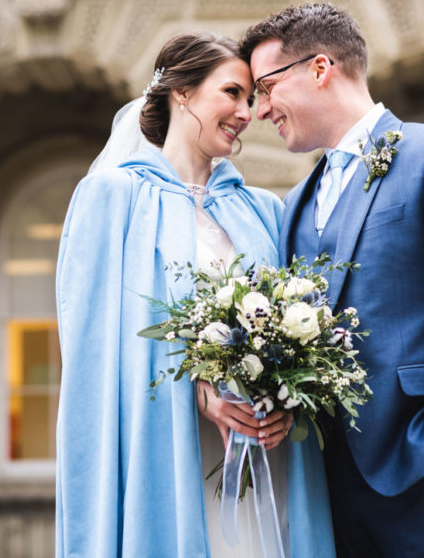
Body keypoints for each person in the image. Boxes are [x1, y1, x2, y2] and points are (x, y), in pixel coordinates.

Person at [239, 3, 424, 558]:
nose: (261, 110)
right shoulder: (293, 204)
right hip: (324, 484)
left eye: (267, 87)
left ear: (321, 68)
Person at [55, 32, 335, 558]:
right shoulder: (111, 198)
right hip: (167, 447)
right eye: (231, 92)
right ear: (181, 93)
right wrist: (196, 390)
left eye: (251, 98)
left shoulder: (262, 210)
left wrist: (285, 403)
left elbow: (291, 328)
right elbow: (93, 352)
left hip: (264, 456)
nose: (246, 112)